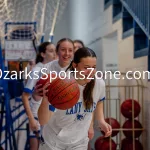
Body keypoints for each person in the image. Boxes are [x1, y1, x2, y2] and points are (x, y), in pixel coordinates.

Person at [38, 47, 112, 150]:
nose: (90, 71)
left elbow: (99, 101)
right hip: (53, 143)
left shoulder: (99, 84)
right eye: (86, 67)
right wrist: (45, 100)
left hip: (79, 143)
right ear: (74, 65)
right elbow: (42, 121)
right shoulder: (60, 84)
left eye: (94, 67)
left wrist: (101, 120)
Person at [22, 41, 56, 150]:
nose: (54, 54)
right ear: (42, 54)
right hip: (37, 115)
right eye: (51, 51)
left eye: (55, 51)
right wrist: (31, 119)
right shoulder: (37, 70)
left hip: (51, 114)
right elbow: (25, 96)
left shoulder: (54, 70)